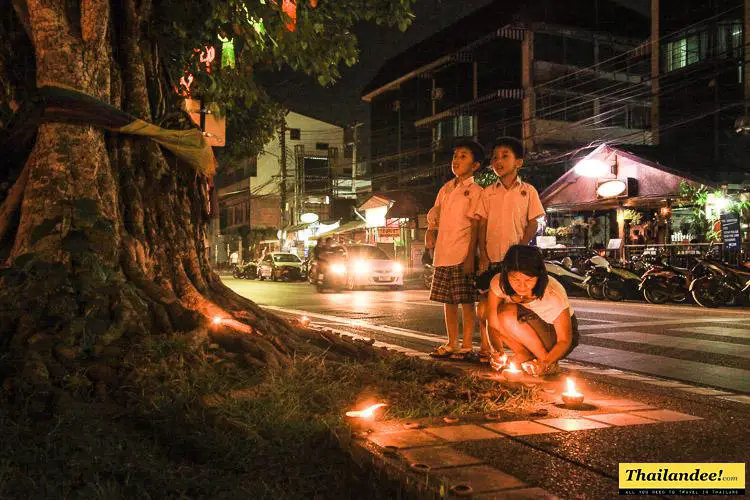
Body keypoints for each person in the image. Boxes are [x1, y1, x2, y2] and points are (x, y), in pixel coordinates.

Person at [475, 137, 545, 365]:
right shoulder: (487, 192)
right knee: (486, 309)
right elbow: (481, 224)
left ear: (519, 162)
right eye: (495, 157)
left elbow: (533, 223)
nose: (498, 161)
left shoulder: (528, 191)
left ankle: (523, 352)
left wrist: (521, 248)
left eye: (505, 156)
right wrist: (482, 255)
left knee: (512, 309)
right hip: (492, 259)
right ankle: (491, 350)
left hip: (515, 262)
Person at [425, 139, 486, 360]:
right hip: (443, 253)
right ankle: (452, 342)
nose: (457, 160)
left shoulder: (476, 191)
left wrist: (471, 255)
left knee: (466, 301)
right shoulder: (446, 188)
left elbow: (476, 225)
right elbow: (435, 215)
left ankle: (467, 345)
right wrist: (430, 231)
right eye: (455, 156)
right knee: (448, 301)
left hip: (462, 252)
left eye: (463, 156)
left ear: (475, 165)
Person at [486, 245, 579, 376]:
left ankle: (547, 363)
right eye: (515, 279)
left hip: (556, 338)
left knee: (506, 313)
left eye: (529, 280)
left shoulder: (552, 293)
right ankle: (523, 355)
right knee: (485, 308)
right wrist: (497, 352)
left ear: (539, 275)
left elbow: (564, 340)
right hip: (531, 324)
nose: (522, 286)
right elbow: (493, 325)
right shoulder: (498, 283)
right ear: (506, 274)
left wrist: (545, 363)